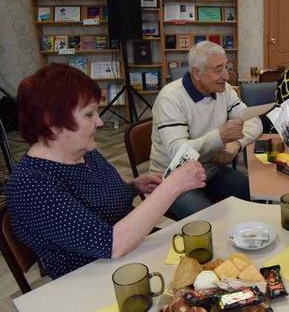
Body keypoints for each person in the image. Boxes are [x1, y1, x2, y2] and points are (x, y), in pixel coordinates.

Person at [5, 63, 206, 279]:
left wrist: (132, 186)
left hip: (133, 255)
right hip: (93, 278)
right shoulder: (31, 184)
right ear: (51, 122)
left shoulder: (83, 152)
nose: (99, 122)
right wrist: (173, 185)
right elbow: (112, 244)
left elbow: (94, 201)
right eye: (89, 114)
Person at [150, 41, 262, 219]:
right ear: (197, 73)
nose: (226, 75)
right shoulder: (170, 98)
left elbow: (254, 121)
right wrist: (219, 136)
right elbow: (178, 153)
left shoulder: (223, 90)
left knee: (257, 194)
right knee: (209, 221)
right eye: (218, 70)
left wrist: (235, 143)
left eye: (226, 67)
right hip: (173, 180)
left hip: (209, 171)